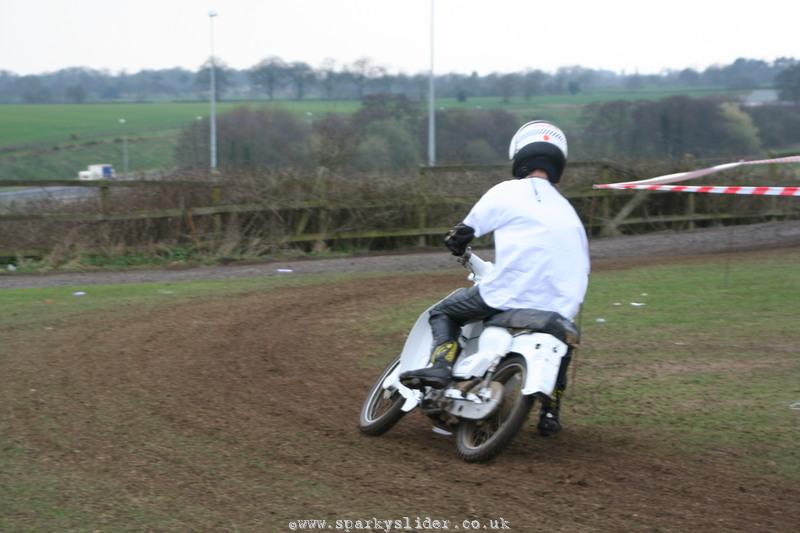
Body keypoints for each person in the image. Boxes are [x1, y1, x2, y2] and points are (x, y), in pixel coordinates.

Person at [399, 120, 590, 436]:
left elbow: (463, 232)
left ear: (519, 154)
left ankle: (441, 367)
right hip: (561, 307)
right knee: (562, 343)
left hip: (508, 293)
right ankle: (551, 410)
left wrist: (457, 242)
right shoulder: (569, 212)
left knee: (444, 311)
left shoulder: (508, 191)